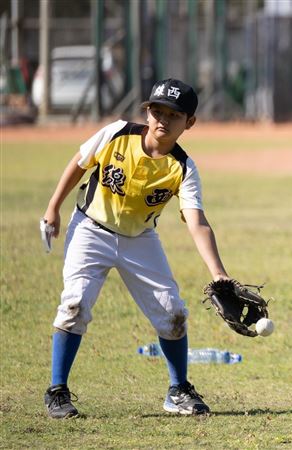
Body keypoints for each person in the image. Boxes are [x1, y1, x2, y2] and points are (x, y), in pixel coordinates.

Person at [41, 78, 229, 418]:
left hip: (140, 239)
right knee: (75, 304)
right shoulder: (117, 133)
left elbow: (197, 221)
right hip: (91, 230)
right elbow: (79, 163)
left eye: (173, 115)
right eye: (156, 111)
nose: (162, 120)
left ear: (190, 123)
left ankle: (178, 390)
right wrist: (54, 206)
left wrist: (219, 274)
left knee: (172, 313)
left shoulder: (183, 167)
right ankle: (57, 391)